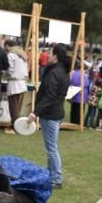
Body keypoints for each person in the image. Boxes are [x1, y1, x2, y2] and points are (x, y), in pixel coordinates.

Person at [29, 44, 71, 189]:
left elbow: (50, 96)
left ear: (55, 56)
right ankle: (50, 175)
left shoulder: (55, 73)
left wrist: (35, 112)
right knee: (50, 147)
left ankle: (56, 178)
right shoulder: (63, 71)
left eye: (50, 54)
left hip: (51, 114)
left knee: (51, 148)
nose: (48, 56)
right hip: (55, 113)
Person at [4, 39, 29, 119]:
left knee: (13, 106)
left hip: (14, 83)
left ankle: (15, 124)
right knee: (16, 105)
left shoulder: (11, 54)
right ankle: (16, 123)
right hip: (21, 82)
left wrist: (5, 74)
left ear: (7, 46)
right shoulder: (22, 53)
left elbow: (10, 69)